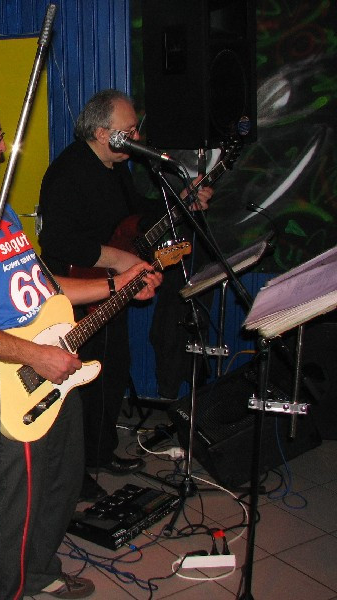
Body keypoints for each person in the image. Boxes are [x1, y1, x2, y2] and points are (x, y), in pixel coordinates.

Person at [0, 92, 162, 599]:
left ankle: (38, 575)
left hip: (52, 362)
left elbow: (45, 288)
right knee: (17, 505)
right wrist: (34, 355)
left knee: (61, 484)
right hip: (10, 380)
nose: (3, 147)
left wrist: (119, 283)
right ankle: (9, 589)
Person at [38, 89, 212, 501]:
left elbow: (138, 214)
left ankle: (100, 452)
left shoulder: (116, 167)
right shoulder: (67, 173)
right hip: (77, 292)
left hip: (111, 289)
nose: (136, 137)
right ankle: (74, 473)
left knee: (113, 369)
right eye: (129, 131)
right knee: (78, 383)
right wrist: (119, 260)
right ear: (102, 133)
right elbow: (59, 242)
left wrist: (183, 202)